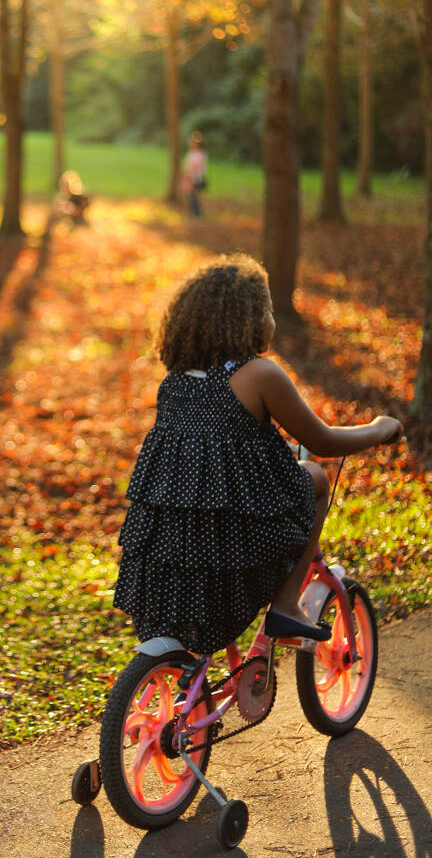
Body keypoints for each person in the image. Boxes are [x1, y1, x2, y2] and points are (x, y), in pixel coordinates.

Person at [113, 253, 403, 655]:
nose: (272, 317)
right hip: (233, 539)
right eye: (267, 308)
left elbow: (210, 450)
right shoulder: (260, 375)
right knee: (315, 479)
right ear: (247, 319)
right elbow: (322, 441)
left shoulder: (176, 379)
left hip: (173, 542)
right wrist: (379, 429)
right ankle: (286, 605)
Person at [181, 131, 207, 219]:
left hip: (196, 178)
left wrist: (187, 172)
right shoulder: (191, 153)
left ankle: (197, 215)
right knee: (190, 197)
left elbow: (195, 166)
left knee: (194, 196)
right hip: (189, 178)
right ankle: (193, 214)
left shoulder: (200, 154)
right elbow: (187, 165)